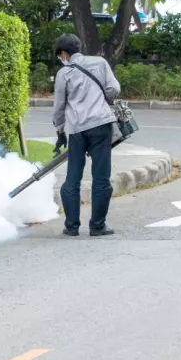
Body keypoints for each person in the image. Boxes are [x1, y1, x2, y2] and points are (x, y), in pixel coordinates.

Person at [51, 34, 121, 237]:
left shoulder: (64, 73)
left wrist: (60, 128)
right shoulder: (100, 62)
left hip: (77, 129)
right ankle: (97, 226)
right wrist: (102, 101)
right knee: (101, 176)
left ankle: (72, 226)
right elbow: (114, 88)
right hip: (101, 124)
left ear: (63, 54)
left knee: (73, 176)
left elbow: (58, 107)